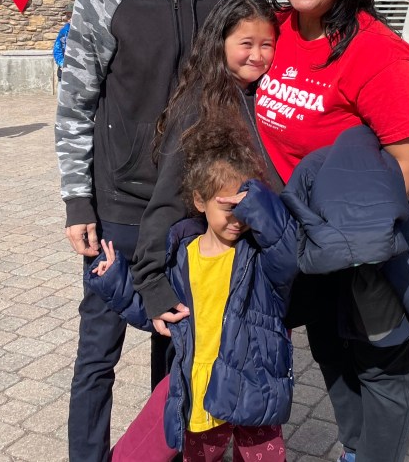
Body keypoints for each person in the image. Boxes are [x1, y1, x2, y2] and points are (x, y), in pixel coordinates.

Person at [55, 0, 238, 461]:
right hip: (119, 214)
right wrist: (77, 202)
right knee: (97, 358)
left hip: (189, 216)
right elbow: (75, 104)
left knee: (179, 356)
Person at [255, 0, 409, 462]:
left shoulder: (375, 52)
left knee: (381, 368)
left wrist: (351, 238)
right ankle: (354, 448)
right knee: (330, 351)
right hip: (304, 243)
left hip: (361, 250)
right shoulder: (274, 32)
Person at [87, 123, 297, 461]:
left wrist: (261, 206)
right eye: (229, 208)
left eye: (245, 208)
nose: (238, 219)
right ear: (200, 200)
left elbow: (288, 254)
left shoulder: (259, 256)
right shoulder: (183, 256)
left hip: (255, 387)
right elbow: (158, 313)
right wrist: (115, 279)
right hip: (199, 389)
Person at [130, 0, 283, 337]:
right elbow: (167, 197)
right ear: (219, 43)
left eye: (267, 45)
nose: (257, 56)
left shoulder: (269, 94)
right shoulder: (197, 106)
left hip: (255, 269)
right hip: (210, 273)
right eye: (246, 44)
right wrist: (152, 283)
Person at [53, 3, 72, 81]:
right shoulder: (63, 32)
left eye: (72, 16)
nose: (70, 19)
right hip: (64, 71)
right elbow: (57, 49)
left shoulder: (83, 31)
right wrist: (61, 63)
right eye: (68, 17)